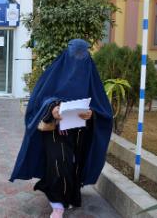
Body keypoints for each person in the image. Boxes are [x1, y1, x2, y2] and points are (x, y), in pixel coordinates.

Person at [9, 39, 113, 218]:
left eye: (83, 56)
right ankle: (57, 204)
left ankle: (70, 195)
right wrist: (52, 108)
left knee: (74, 165)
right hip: (55, 130)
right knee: (59, 163)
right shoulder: (55, 72)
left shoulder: (91, 75)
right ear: (67, 54)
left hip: (80, 133)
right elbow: (39, 99)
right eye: (75, 55)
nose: (78, 60)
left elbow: (101, 107)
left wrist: (91, 113)